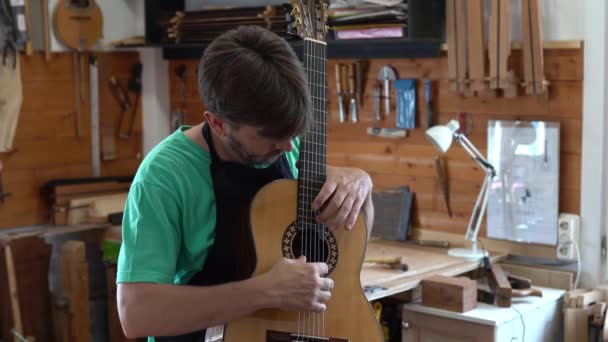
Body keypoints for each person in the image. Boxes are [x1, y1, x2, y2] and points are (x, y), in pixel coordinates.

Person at [116, 25, 374, 341]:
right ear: (218, 123)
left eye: (293, 133)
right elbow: (136, 313)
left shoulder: (285, 146)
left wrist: (361, 186)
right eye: (270, 136)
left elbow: (347, 251)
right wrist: (264, 292)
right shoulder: (164, 177)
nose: (287, 147)